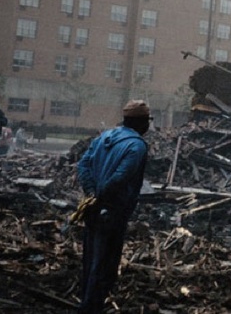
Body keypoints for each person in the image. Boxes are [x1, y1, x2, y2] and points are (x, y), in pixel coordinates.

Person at [76, 100, 151, 314]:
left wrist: (90, 194)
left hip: (93, 209)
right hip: (113, 211)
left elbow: (83, 165)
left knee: (90, 260)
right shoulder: (136, 146)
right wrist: (101, 197)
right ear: (140, 122)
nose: (147, 126)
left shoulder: (104, 137)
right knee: (105, 265)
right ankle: (91, 308)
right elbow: (121, 177)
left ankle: (87, 303)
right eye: (146, 121)